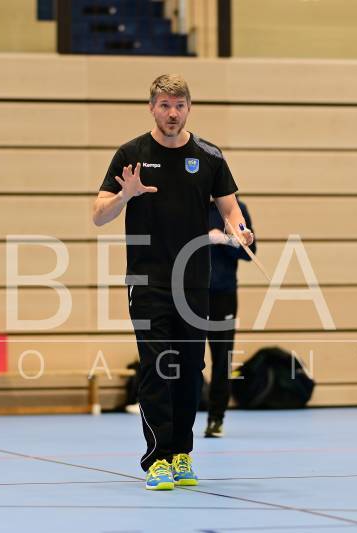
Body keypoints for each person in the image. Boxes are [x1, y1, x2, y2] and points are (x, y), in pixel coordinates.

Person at [92, 74, 253, 491]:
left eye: (179, 105)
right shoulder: (131, 154)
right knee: (156, 366)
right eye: (164, 105)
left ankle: (181, 452)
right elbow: (98, 215)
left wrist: (239, 230)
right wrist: (126, 195)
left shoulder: (209, 156)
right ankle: (157, 458)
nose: (172, 113)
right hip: (147, 281)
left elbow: (230, 208)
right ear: (152, 108)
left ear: (189, 108)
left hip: (194, 282)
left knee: (190, 369)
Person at [205, 197, 256, 437]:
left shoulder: (236, 209)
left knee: (222, 358)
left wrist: (227, 240)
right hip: (189, 293)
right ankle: (180, 419)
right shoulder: (190, 205)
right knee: (185, 357)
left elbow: (250, 251)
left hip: (223, 294)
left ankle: (216, 418)